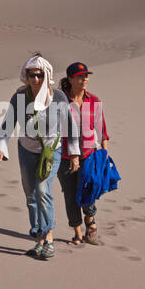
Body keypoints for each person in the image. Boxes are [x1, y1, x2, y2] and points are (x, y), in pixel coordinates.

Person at [0, 53, 80, 259]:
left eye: (39, 75)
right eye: (31, 75)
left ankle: (48, 239)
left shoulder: (58, 97)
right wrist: (1, 148)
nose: (35, 79)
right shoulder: (20, 97)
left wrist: (75, 154)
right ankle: (39, 240)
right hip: (26, 151)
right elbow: (7, 123)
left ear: (46, 75)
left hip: (51, 151)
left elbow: (71, 125)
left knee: (42, 190)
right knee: (31, 196)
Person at [58, 62, 110, 246]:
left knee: (88, 191)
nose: (84, 79)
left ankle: (90, 221)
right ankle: (77, 233)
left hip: (88, 155)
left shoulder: (94, 100)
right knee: (70, 195)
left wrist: (104, 154)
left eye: (86, 76)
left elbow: (101, 129)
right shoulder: (61, 101)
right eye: (80, 76)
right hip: (64, 157)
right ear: (71, 79)